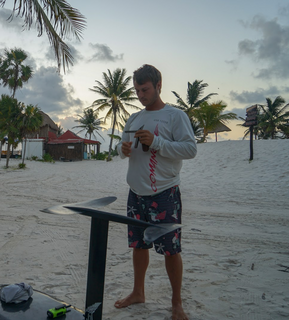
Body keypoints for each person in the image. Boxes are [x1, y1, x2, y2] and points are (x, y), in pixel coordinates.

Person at [114, 64, 197, 320]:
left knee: (171, 249)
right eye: (137, 90)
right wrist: (122, 149)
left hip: (164, 192)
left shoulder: (175, 116)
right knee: (139, 246)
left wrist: (157, 142)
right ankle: (138, 292)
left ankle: (176, 303)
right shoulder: (134, 117)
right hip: (136, 192)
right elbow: (120, 145)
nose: (140, 95)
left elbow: (190, 149)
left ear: (158, 85)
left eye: (145, 89)